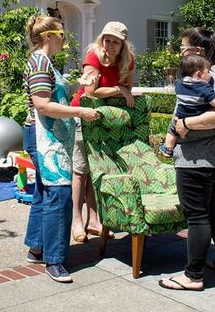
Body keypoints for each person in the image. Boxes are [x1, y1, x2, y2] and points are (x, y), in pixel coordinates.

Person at [158, 27, 215, 292]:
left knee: (197, 216)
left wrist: (186, 124)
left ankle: (193, 276)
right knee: (212, 210)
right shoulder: (211, 73)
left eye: (183, 48)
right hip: (204, 157)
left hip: (198, 159)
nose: (180, 52)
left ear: (197, 51)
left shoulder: (212, 75)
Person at [22, 15, 100, 283]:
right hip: (46, 139)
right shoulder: (41, 63)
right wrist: (80, 110)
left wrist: (79, 86)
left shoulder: (43, 62)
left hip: (45, 137)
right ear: (48, 36)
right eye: (62, 35)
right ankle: (55, 260)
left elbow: (54, 94)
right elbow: (42, 105)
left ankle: (37, 247)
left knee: (45, 193)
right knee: (60, 195)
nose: (64, 41)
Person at [69, 21, 135, 243]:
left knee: (99, 170)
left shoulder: (128, 60)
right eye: (107, 40)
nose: (110, 45)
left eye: (115, 41)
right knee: (80, 171)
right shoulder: (94, 55)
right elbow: (90, 91)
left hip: (106, 119)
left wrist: (121, 90)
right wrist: (118, 89)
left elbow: (130, 91)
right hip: (83, 114)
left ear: (123, 44)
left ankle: (95, 220)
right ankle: (77, 220)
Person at [159, 54, 215, 162]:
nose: (210, 75)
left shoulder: (179, 84)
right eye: (208, 72)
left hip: (180, 117)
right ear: (199, 74)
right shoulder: (203, 86)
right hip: (198, 116)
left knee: (172, 129)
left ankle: (168, 148)